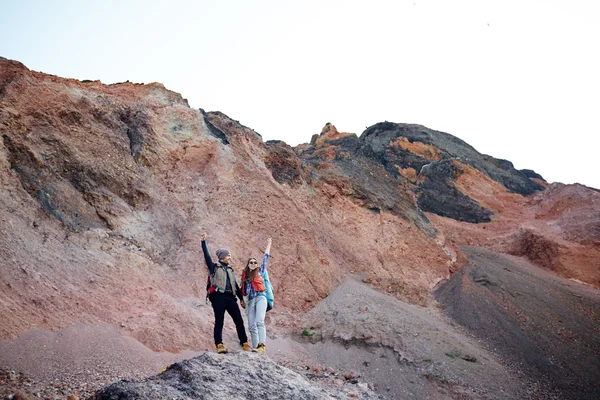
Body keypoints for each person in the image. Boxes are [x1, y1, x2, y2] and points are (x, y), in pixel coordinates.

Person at [201, 232, 250, 354]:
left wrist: (241, 299)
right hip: (218, 297)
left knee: (239, 320)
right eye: (228, 255)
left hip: (231, 298)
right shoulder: (214, 267)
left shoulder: (230, 269)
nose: (230, 257)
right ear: (222, 256)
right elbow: (207, 256)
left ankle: (244, 343)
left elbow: (236, 286)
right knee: (219, 321)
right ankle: (219, 345)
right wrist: (203, 242)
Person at [242, 237, 272, 354]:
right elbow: (241, 289)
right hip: (250, 301)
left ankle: (262, 345)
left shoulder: (261, 271)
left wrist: (269, 243)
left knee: (259, 321)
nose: (253, 264)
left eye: (255, 262)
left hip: (260, 298)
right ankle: (255, 347)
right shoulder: (245, 276)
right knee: (251, 325)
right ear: (248, 264)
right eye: (251, 262)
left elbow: (265, 258)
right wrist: (242, 300)